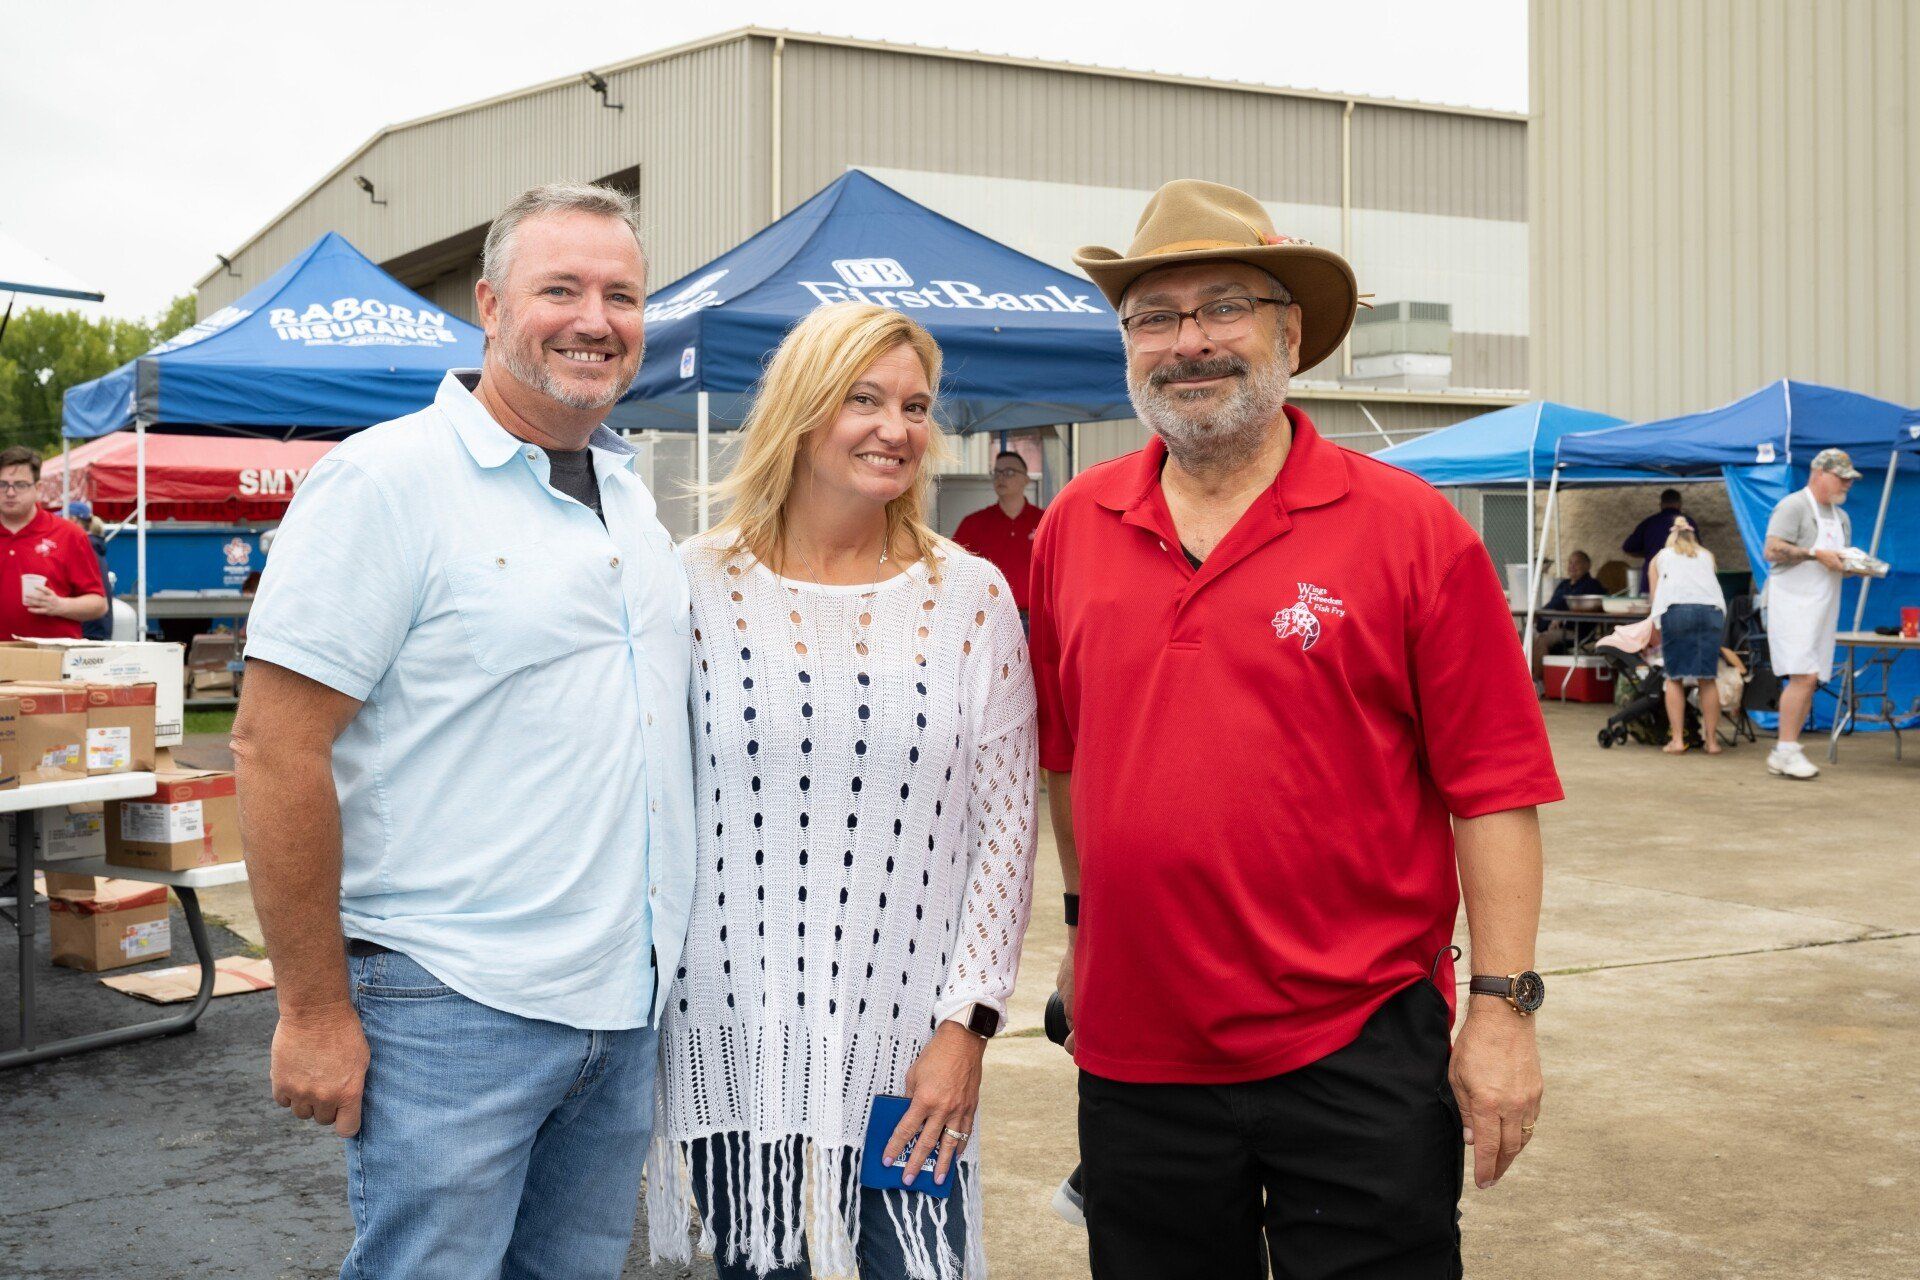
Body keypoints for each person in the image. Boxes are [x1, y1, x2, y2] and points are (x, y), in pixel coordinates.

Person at [1034, 179, 1563, 1279]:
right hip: (1138, 1047)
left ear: (1290, 329)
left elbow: (1495, 786)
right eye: (1155, 317)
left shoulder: (1411, 530)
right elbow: (1068, 757)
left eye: (1224, 305)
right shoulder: (1076, 524)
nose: (1190, 343)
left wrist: (1503, 1009)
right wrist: (1084, 934)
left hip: (1356, 1039)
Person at [232, 182, 694, 1280]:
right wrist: (311, 1008)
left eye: (621, 294)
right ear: (489, 306)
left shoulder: (630, 494)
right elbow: (272, 745)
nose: (595, 318)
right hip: (451, 1008)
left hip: (620, 1008)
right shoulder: (386, 481)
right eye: (561, 289)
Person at [647, 302, 1036, 1280]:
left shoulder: (973, 597)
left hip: (915, 1043)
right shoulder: (692, 584)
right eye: (864, 398)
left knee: (922, 1267)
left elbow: (1006, 833)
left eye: (914, 404)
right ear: (802, 410)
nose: (895, 427)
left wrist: (970, 1024)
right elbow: (648, 803)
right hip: (735, 1029)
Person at [1761, 448, 1870, 779]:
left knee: (1811, 679)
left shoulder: (1842, 518)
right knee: (1803, 676)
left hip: (1822, 607)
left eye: (1850, 479)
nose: (1847, 485)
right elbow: (1771, 549)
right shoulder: (1793, 506)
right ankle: (1785, 750)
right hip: (1791, 604)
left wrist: (1858, 566)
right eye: (1841, 478)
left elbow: (1839, 565)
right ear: (1818, 473)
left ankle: (1787, 749)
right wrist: (1813, 553)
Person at [0, 446, 108, 640]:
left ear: (38, 489)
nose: (10, 492)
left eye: (20, 485)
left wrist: (59, 605)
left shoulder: (68, 535)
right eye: (2, 484)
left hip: (49, 661)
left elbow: (99, 604)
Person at [1648, 517, 1726, 754]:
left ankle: (1678, 740)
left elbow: (1655, 596)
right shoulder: (1707, 556)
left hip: (1677, 611)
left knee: (1675, 677)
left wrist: (1654, 628)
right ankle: (1711, 742)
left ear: (1671, 538)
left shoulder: (1661, 557)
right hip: (1710, 612)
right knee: (1707, 678)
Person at [951, 450, 1042, 620]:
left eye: (1009, 472)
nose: (1001, 477)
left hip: (1036, 620)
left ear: (1026, 479)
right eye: (997, 472)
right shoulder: (974, 523)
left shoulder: (1045, 521)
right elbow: (955, 571)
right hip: (988, 619)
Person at [1536, 549, 1605, 651]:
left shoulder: (1592, 585)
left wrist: (1563, 618)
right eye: (1570, 563)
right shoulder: (1564, 584)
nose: (1572, 566)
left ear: (1587, 566)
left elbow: (1590, 611)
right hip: (1545, 626)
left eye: (1577, 563)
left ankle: (1534, 667)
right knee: (1517, 636)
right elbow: (1552, 605)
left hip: (1571, 630)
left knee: (1540, 641)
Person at [65, 500, 114, 641]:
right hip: (96, 626)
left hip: (87, 627)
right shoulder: (95, 546)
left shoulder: (83, 547)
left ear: (73, 520)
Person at [1622, 488, 1689, 588]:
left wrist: (1647, 553)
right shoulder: (1687, 523)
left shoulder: (1649, 523)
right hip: (1681, 578)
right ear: (1679, 504)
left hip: (1652, 578)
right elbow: (1695, 549)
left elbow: (1628, 547)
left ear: (1661, 504)